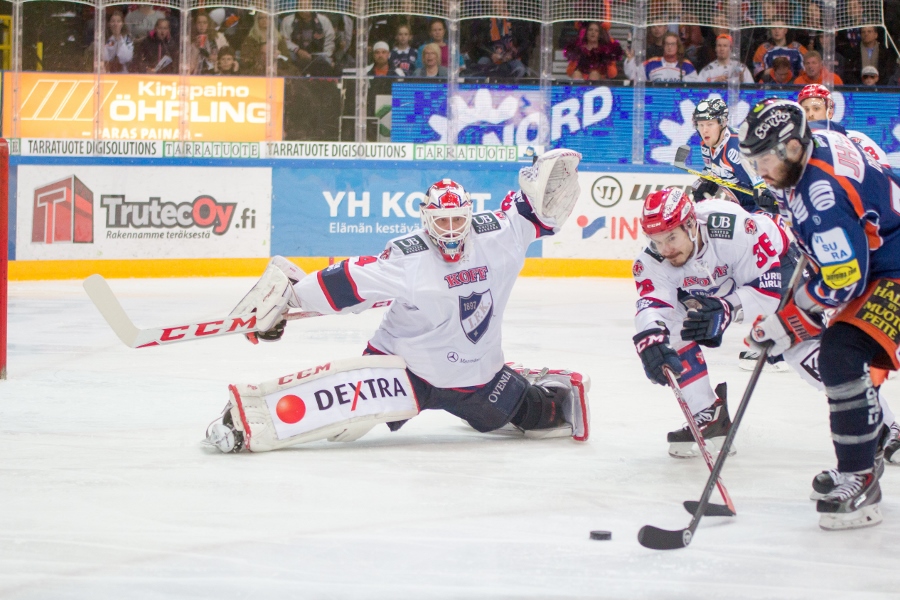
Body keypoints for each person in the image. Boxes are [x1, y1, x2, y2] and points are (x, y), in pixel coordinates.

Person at [204, 150, 591, 453]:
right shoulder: (409, 256)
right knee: (344, 419)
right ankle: (245, 420)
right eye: (443, 222)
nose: (452, 230)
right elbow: (349, 281)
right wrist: (291, 296)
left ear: (470, 217)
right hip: (405, 368)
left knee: (537, 416)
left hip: (474, 378)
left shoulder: (500, 237)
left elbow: (534, 213)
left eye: (459, 220)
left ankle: (534, 380)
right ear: (426, 219)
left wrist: (547, 185)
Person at [738, 98, 900, 529]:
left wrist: (790, 321)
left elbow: (844, 280)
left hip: (892, 266)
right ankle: (865, 451)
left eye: (766, 159)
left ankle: (860, 477)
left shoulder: (820, 194)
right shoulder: (815, 147)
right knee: (839, 356)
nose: (761, 171)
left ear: (792, 148)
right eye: (755, 161)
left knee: (841, 355)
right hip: (883, 254)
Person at [631, 187, 822, 458]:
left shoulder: (733, 229)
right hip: (719, 284)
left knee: (794, 346)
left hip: (778, 265)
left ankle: (873, 419)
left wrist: (727, 309)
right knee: (671, 326)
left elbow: (767, 293)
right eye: (656, 240)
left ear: (690, 224)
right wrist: (650, 336)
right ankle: (709, 416)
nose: (666, 249)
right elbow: (652, 303)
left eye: (671, 237)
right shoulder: (654, 258)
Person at [796, 84, 892, 169]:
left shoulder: (856, 139)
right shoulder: (793, 142)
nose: (810, 114)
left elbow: (883, 171)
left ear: (829, 112)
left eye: (816, 109)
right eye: (806, 110)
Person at [624, 31, 699, 82]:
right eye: (667, 44)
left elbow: (694, 86)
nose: (670, 47)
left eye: (672, 44)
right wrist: (630, 60)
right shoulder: (651, 63)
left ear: (677, 46)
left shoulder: (686, 65)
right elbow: (634, 76)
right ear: (663, 46)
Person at [280, 11, 335, 76]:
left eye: (306, 6)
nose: (304, 10)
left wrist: (328, 57)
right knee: (288, 57)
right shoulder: (287, 21)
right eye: (301, 6)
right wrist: (297, 50)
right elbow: (285, 40)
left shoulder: (324, 20)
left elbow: (329, 41)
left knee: (327, 62)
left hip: (318, 57)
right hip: (296, 55)